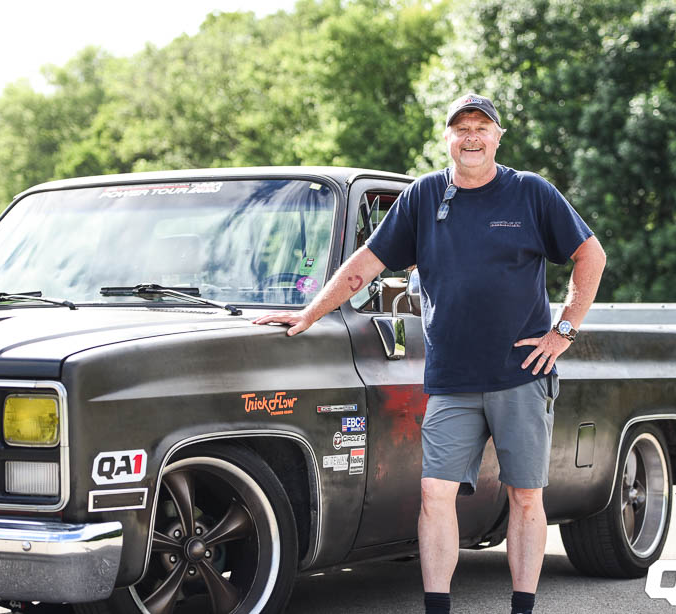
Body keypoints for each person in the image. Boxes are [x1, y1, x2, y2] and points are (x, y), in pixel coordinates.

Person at [253, 93, 606, 614]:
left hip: (520, 375)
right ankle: (437, 607)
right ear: (447, 137)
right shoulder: (423, 198)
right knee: (436, 495)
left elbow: (589, 253)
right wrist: (310, 314)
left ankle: (523, 607)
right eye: (460, 128)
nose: (471, 137)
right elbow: (365, 264)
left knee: (525, 497)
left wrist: (564, 332)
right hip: (451, 381)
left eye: (481, 128)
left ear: (497, 137)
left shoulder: (530, 192)